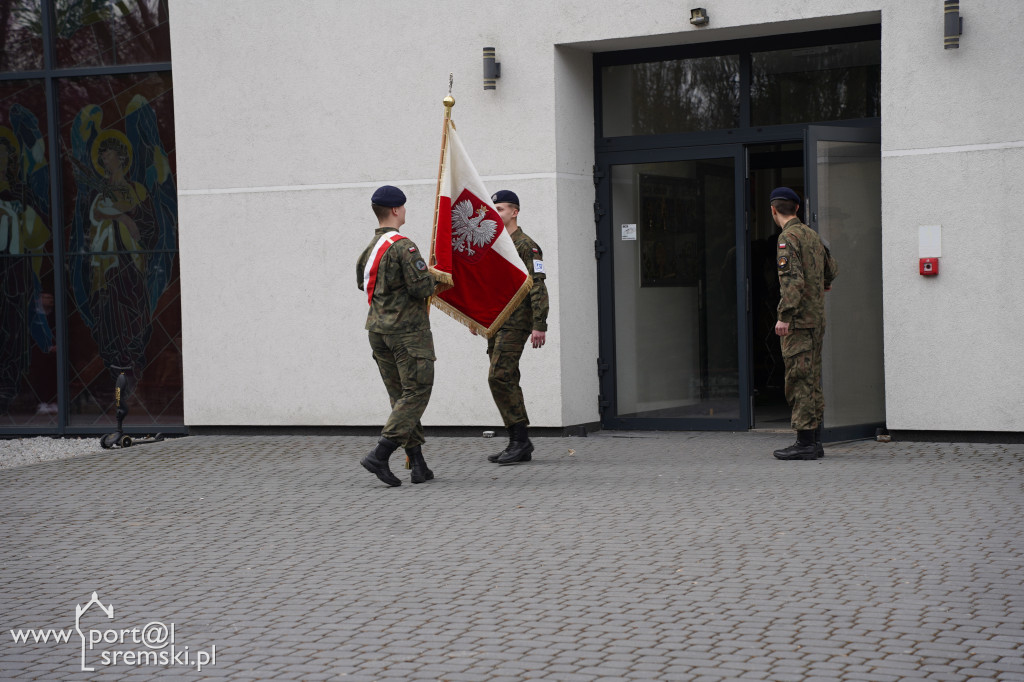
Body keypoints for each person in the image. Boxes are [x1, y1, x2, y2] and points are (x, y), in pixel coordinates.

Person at [356, 185, 436, 486]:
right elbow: (421, 288)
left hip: (378, 331)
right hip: (408, 333)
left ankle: (418, 464)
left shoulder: (369, 249)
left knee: (401, 397)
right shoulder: (405, 247)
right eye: (403, 207)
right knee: (416, 393)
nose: (405, 211)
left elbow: (363, 285)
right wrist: (436, 277)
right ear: (395, 210)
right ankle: (380, 453)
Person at [770, 187, 838, 461]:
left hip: (798, 321)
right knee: (811, 379)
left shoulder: (787, 238)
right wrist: (825, 285)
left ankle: (805, 442)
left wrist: (784, 316)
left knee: (798, 379)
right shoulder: (811, 235)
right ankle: (815, 440)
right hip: (816, 319)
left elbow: (792, 282)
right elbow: (831, 269)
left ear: (773, 210)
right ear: (796, 208)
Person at [484, 190, 549, 465]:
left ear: (514, 212)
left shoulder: (526, 245)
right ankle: (518, 441)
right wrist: (480, 318)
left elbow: (538, 285)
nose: (496, 213)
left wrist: (539, 324)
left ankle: (520, 440)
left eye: (500, 209)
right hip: (497, 321)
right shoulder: (496, 244)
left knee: (498, 376)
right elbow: (489, 285)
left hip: (517, 321)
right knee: (507, 378)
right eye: (494, 209)